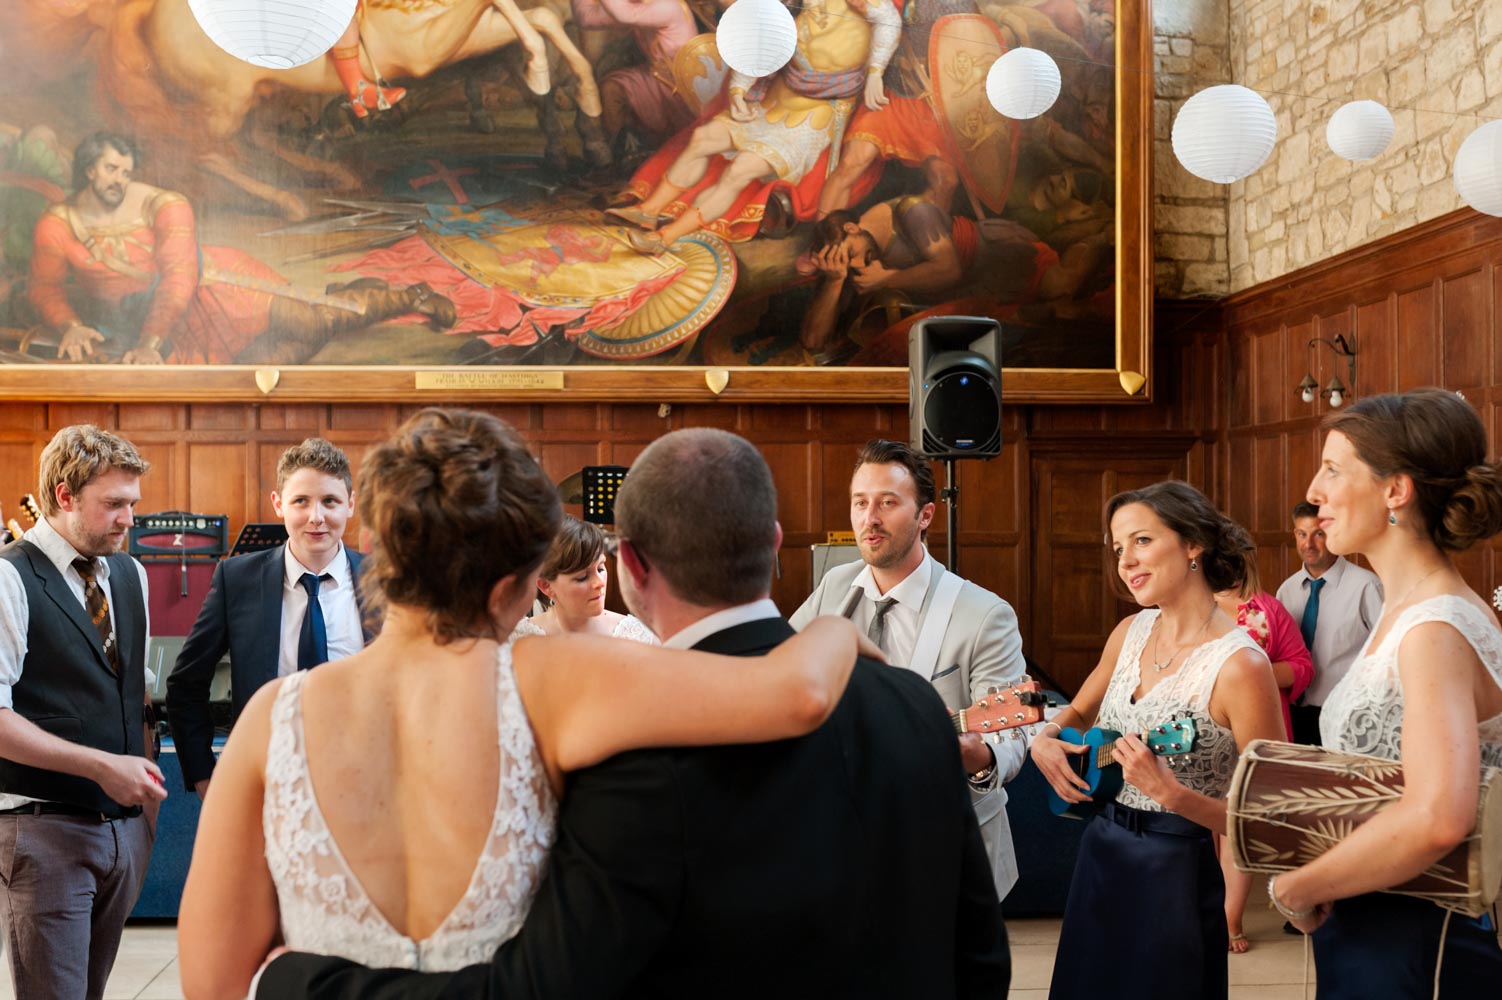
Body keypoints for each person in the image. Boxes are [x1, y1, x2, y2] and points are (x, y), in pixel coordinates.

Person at [250, 425, 1010, 999]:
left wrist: (291, 984)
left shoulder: (627, 742)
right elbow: (982, 956)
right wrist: (834, 630)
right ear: (775, 543)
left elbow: (549, 987)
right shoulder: (912, 704)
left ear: (633, 565)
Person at [1265, 388, 1502, 996]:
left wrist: (1296, 887)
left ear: (1395, 490)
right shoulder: (1413, 609)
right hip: (1375, 917)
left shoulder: (1434, 628)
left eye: (1334, 469)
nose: (1314, 491)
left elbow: (1438, 818)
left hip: (1416, 932)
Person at [1031, 481, 1285, 1000]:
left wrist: (1175, 796)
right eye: (1119, 548)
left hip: (1175, 870)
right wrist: (1046, 737)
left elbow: (1273, 816)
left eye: (1142, 541)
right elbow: (1078, 708)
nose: (1126, 561)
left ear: (1193, 543)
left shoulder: (1241, 666)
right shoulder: (1129, 632)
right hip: (1100, 852)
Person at [790, 439, 1028, 903]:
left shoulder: (984, 614)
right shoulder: (835, 586)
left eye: (887, 503)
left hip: (949, 849)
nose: (869, 518)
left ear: (925, 516)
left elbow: (1013, 738)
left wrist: (977, 757)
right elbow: (782, 671)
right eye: (860, 503)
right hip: (845, 839)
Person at [27, 133, 455, 365]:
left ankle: (408, 295)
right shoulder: (58, 222)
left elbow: (178, 276)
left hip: (217, 290)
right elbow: (45, 287)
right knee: (268, 367)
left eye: (126, 171)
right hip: (164, 328)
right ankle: (354, 290)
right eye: (110, 168)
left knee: (314, 323)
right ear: (88, 168)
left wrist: (151, 345)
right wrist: (69, 326)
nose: (119, 179)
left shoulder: (164, 203)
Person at [0, 425, 166, 1000]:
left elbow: (131, 691)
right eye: (114, 504)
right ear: (65, 496)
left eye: (133, 504)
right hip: (43, 829)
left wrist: (141, 820)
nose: (128, 519)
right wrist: (100, 766)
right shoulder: (8, 577)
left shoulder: (130, 574)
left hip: (123, 832)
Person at [614, 0, 901, 255]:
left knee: (740, 170)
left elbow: (889, 20)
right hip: (774, 102)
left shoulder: (862, 4)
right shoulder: (789, 9)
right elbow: (762, 47)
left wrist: (875, 71)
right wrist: (738, 90)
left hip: (815, 116)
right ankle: (648, 211)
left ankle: (665, 237)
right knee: (703, 138)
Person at [166, 438, 369, 798]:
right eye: (301, 501)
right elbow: (186, 683)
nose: (316, 517)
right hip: (267, 783)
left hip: (367, 782)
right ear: (279, 504)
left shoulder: (385, 581)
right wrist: (204, 778)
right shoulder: (237, 580)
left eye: (330, 501)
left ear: (350, 504)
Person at [1212, 559, 1313, 954]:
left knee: (1234, 827)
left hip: (1252, 730)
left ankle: (1229, 917)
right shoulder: (1190, 607)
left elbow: (1302, 665)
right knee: (1202, 825)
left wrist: (1252, 676)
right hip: (1195, 732)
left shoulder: (1266, 608)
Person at [1275, 500, 1382, 745]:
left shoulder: (1367, 587)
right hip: (1295, 715)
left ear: (1333, 534)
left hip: (1346, 715)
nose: (1308, 544)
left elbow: (1388, 655)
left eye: (1318, 534)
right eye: (1302, 534)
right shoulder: (1287, 591)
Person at [512, 516, 656, 642]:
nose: (600, 582)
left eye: (600, 568)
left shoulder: (637, 636)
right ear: (546, 586)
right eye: (582, 577)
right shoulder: (518, 639)